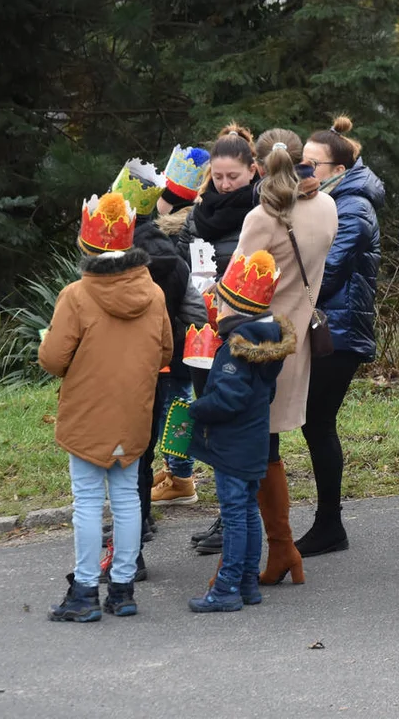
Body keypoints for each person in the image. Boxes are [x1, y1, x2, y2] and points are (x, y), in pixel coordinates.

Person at [39, 192, 174, 621]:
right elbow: (166, 351)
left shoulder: (76, 296)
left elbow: (55, 360)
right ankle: (122, 589)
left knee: (87, 501)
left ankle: (83, 593)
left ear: (87, 246)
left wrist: (48, 340)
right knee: (128, 500)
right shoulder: (152, 293)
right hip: (134, 410)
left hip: (87, 414)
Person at [234, 128, 338, 585]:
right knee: (269, 443)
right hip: (298, 342)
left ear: (257, 167)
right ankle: (282, 550)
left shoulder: (263, 218)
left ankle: (278, 548)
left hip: (261, 342)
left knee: (257, 447)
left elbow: (240, 289)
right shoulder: (328, 207)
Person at [154, 127, 264, 557]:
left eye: (233, 176)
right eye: (218, 176)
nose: (224, 184)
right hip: (202, 331)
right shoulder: (200, 213)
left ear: (252, 171)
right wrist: (190, 307)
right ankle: (223, 511)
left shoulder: (261, 210)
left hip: (243, 331)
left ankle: (236, 519)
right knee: (208, 422)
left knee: (236, 427)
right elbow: (178, 266)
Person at [98, 159, 207, 583]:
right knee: (143, 454)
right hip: (161, 363)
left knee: (125, 459)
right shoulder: (173, 261)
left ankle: (129, 538)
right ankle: (139, 534)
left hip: (116, 372)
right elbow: (194, 311)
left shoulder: (105, 265)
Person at [293, 116, 383, 557]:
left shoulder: (354, 208)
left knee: (318, 423)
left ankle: (330, 524)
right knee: (313, 424)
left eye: (311, 164)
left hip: (340, 331)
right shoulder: (324, 200)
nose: (302, 171)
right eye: (301, 162)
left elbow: (323, 278)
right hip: (325, 325)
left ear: (337, 171)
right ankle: (328, 523)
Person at [187, 250, 297, 612]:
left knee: (235, 514)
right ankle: (248, 582)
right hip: (253, 442)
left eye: (220, 301)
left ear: (235, 307)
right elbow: (266, 394)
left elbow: (228, 399)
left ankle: (227, 587)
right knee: (248, 511)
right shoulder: (264, 345)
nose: (216, 307)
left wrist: (196, 409)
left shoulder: (236, 349)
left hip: (233, 446)